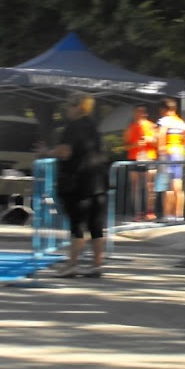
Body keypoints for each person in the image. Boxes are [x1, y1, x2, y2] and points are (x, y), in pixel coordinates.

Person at [50, 93, 108, 278]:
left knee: (77, 225)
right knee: (96, 226)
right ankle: (97, 265)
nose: (67, 109)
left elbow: (65, 152)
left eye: (69, 105)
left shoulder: (73, 126)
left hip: (78, 182)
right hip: (98, 182)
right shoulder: (94, 126)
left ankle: (72, 264)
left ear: (78, 107)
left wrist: (47, 152)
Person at [154, 98, 185, 224]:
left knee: (167, 186)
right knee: (178, 185)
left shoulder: (164, 120)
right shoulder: (179, 121)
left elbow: (161, 134)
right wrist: (182, 143)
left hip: (168, 154)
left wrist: (161, 149)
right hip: (179, 153)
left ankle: (168, 215)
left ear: (163, 109)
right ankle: (179, 215)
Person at [124, 103, 158, 223]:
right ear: (134, 113)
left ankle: (150, 212)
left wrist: (149, 140)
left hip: (149, 157)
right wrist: (135, 145)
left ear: (146, 113)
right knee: (135, 186)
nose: (140, 114)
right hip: (134, 158)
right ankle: (137, 213)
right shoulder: (130, 127)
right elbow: (125, 146)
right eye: (138, 111)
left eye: (142, 111)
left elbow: (158, 143)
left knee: (150, 186)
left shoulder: (152, 126)